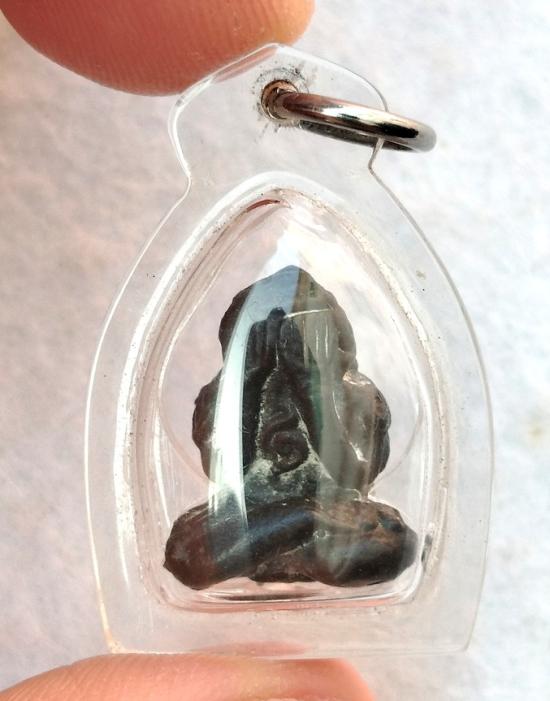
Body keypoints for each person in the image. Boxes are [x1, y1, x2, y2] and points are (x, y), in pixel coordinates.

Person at [0, 1, 375, 699]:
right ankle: (295, 525)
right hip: (255, 517)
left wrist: (315, 401)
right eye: (265, 355)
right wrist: (260, 405)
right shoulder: (223, 408)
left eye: (304, 355)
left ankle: (298, 525)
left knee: (373, 543)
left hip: (329, 518)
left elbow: (354, 471)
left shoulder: (353, 403)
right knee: (195, 548)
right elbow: (212, 504)